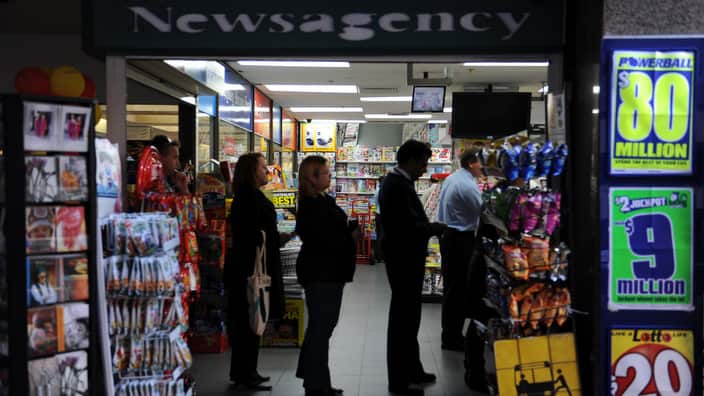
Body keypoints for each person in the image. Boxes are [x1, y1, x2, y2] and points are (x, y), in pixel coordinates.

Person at [378, 140, 446, 396]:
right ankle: (399, 381)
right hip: (404, 261)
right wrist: (436, 228)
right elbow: (407, 227)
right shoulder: (397, 185)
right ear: (412, 160)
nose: (425, 169)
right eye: (423, 163)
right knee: (402, 322)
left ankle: (413, 369)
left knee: (410, 319)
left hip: (404, 260)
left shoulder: (397, 183)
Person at [226, 153, 290, 390]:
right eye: (264, 168)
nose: (267, 172)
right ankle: (245, 374)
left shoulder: (248, 196)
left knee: (252, 318)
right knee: (250, 319)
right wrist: (275, 237)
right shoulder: (248, 198)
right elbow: (252, 235)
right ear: (252, 172)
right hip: (251, 270)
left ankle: (246, 370)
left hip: (251, 267)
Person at [295, 156, 357, 396]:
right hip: (322, 274)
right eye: (326, 173)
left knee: (322, 328)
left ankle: (315, 378)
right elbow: (323, 239)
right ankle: (316, 383)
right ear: (313, 177)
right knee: (321, 328)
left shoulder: (321, 200)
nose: (330, 176)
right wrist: (347, 234)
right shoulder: (312, 206)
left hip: (329, 273)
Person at [437, 149, 484, 351]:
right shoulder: (466, 184)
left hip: (450, 236)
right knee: (458, 289)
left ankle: (450, 334)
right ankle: (452, 337)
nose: (484, 166)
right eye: (482, 162)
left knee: (453, 288)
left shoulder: (454, 178)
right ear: (472, 163)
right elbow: (483, 211)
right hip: (460, 238)